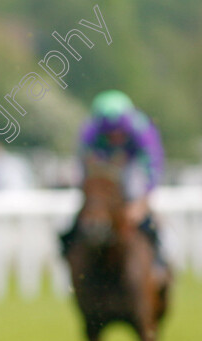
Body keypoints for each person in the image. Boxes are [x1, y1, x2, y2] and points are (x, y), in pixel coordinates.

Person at [61, 90, 166, 262]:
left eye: (119, 133)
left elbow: (152, 166)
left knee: (139, 201)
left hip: (132, 164)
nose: (115, 137)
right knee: (86, 210)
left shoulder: (141, 128)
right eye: (109, 134)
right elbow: (82, 167)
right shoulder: (90, 130)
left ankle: (160, 259)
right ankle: (68, 248)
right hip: (104, 163)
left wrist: (141, 203)